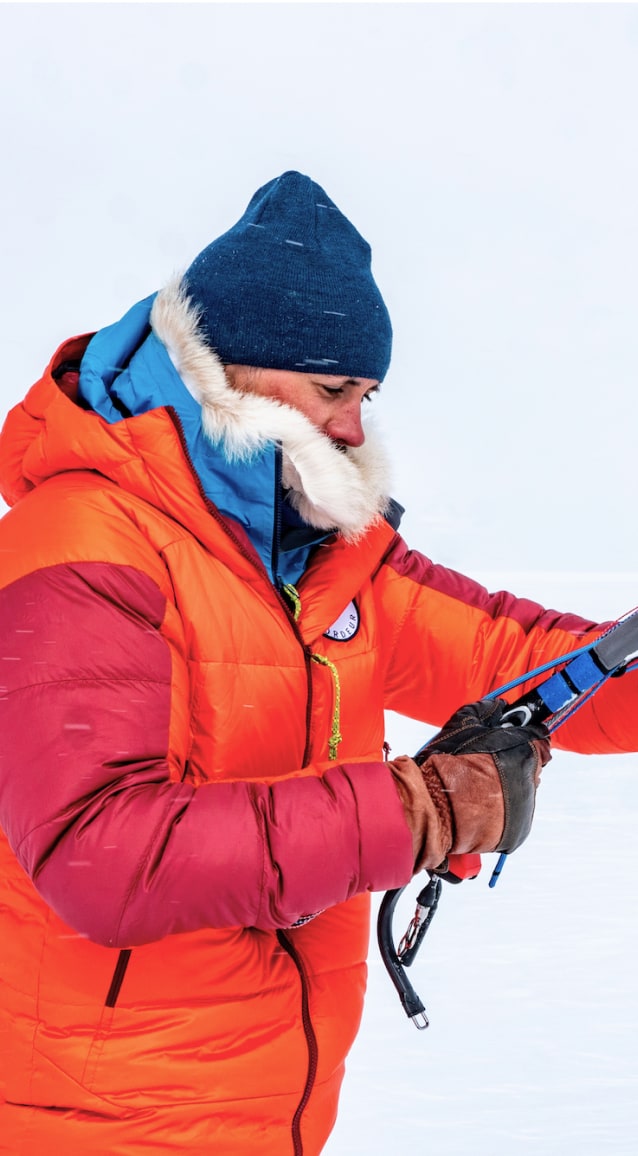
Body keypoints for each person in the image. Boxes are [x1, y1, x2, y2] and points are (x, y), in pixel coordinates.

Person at [0, 171, 635, 1156]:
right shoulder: (80, 540)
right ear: (227, 367)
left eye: (365, 395)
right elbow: (100, 852)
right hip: (89, 1124)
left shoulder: (328, 559)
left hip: (268, 1116)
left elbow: (521, 659)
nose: (352, 425)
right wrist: (416, 808)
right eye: (333, 389)